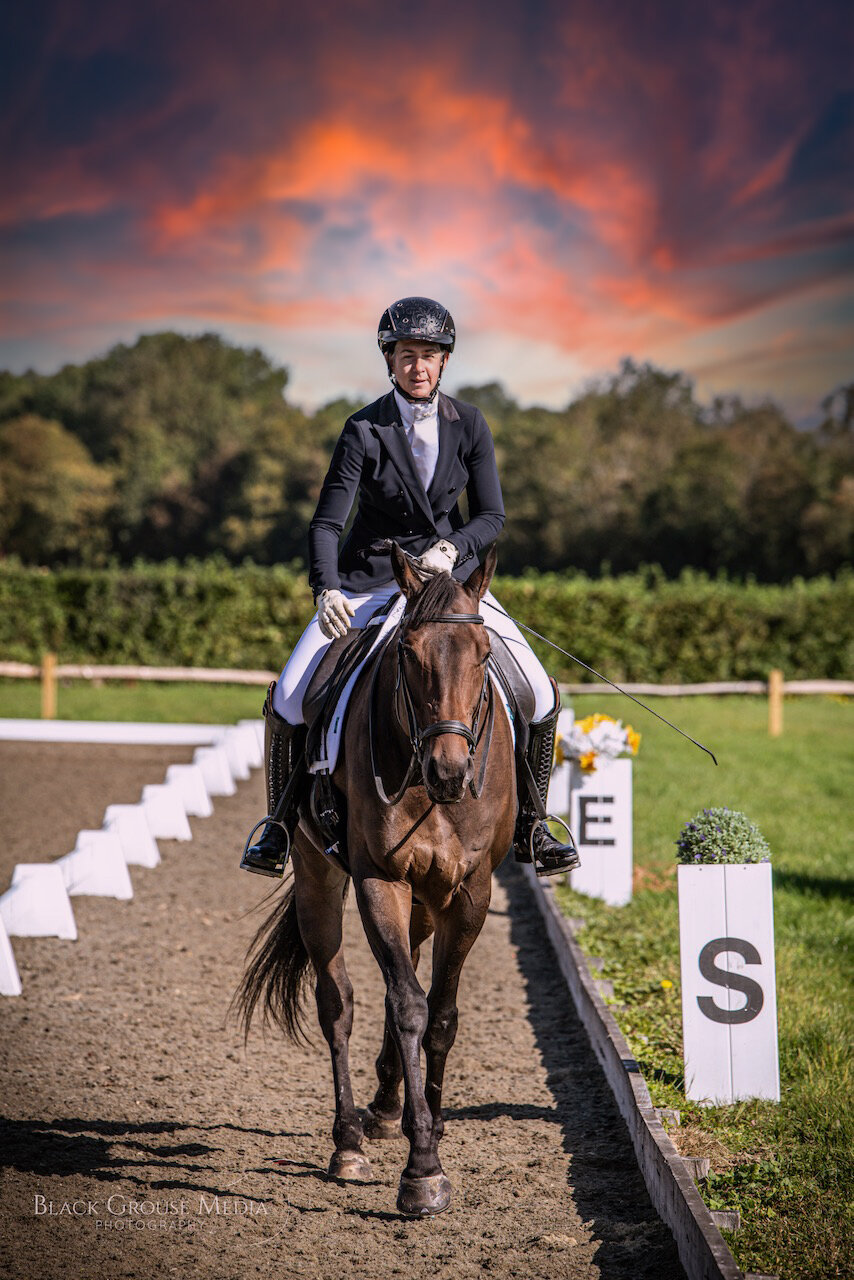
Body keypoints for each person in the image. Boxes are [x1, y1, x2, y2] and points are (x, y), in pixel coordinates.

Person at [240, 296, 579, 879]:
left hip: (448, 587)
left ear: (444, 361)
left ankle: (533, 826)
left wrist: (454, 548)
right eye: (406, 355)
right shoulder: (363, 429)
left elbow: (492, 516)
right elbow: (326, 523)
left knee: (541, 695)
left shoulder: (469, 423)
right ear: (390, 360)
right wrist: (326, 590)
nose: (417, 366)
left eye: (428, 355)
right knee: (293, 694)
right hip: (371, 579)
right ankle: (276, 826)